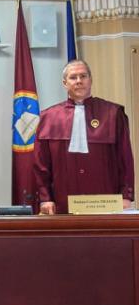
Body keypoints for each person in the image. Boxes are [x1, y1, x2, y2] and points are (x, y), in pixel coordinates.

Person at [35, 59, 134, 214]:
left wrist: (126, 196)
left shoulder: (113, 113)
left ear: (90, 80)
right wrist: (45, 198)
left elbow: (125, 158)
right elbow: (41, 163)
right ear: (65, 83)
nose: (79, 81)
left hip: (105, 200)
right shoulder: (48, 117)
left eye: (83, 76)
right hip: (62, 200)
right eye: (73, 77)